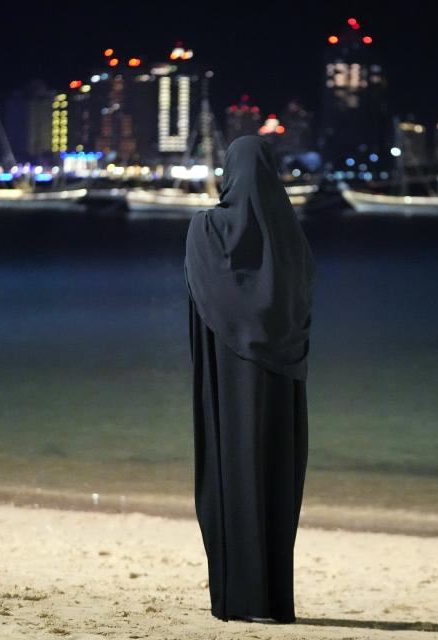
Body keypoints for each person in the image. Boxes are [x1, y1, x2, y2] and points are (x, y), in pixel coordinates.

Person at [183, 135, 317, 624]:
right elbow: (303, 309)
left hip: (228, 379)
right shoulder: (292, 241)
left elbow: (200, 306)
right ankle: (275, 603)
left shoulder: (206, 231)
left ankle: (238, 599)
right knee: (276, 485)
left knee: (231, 478)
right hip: (283, 383)